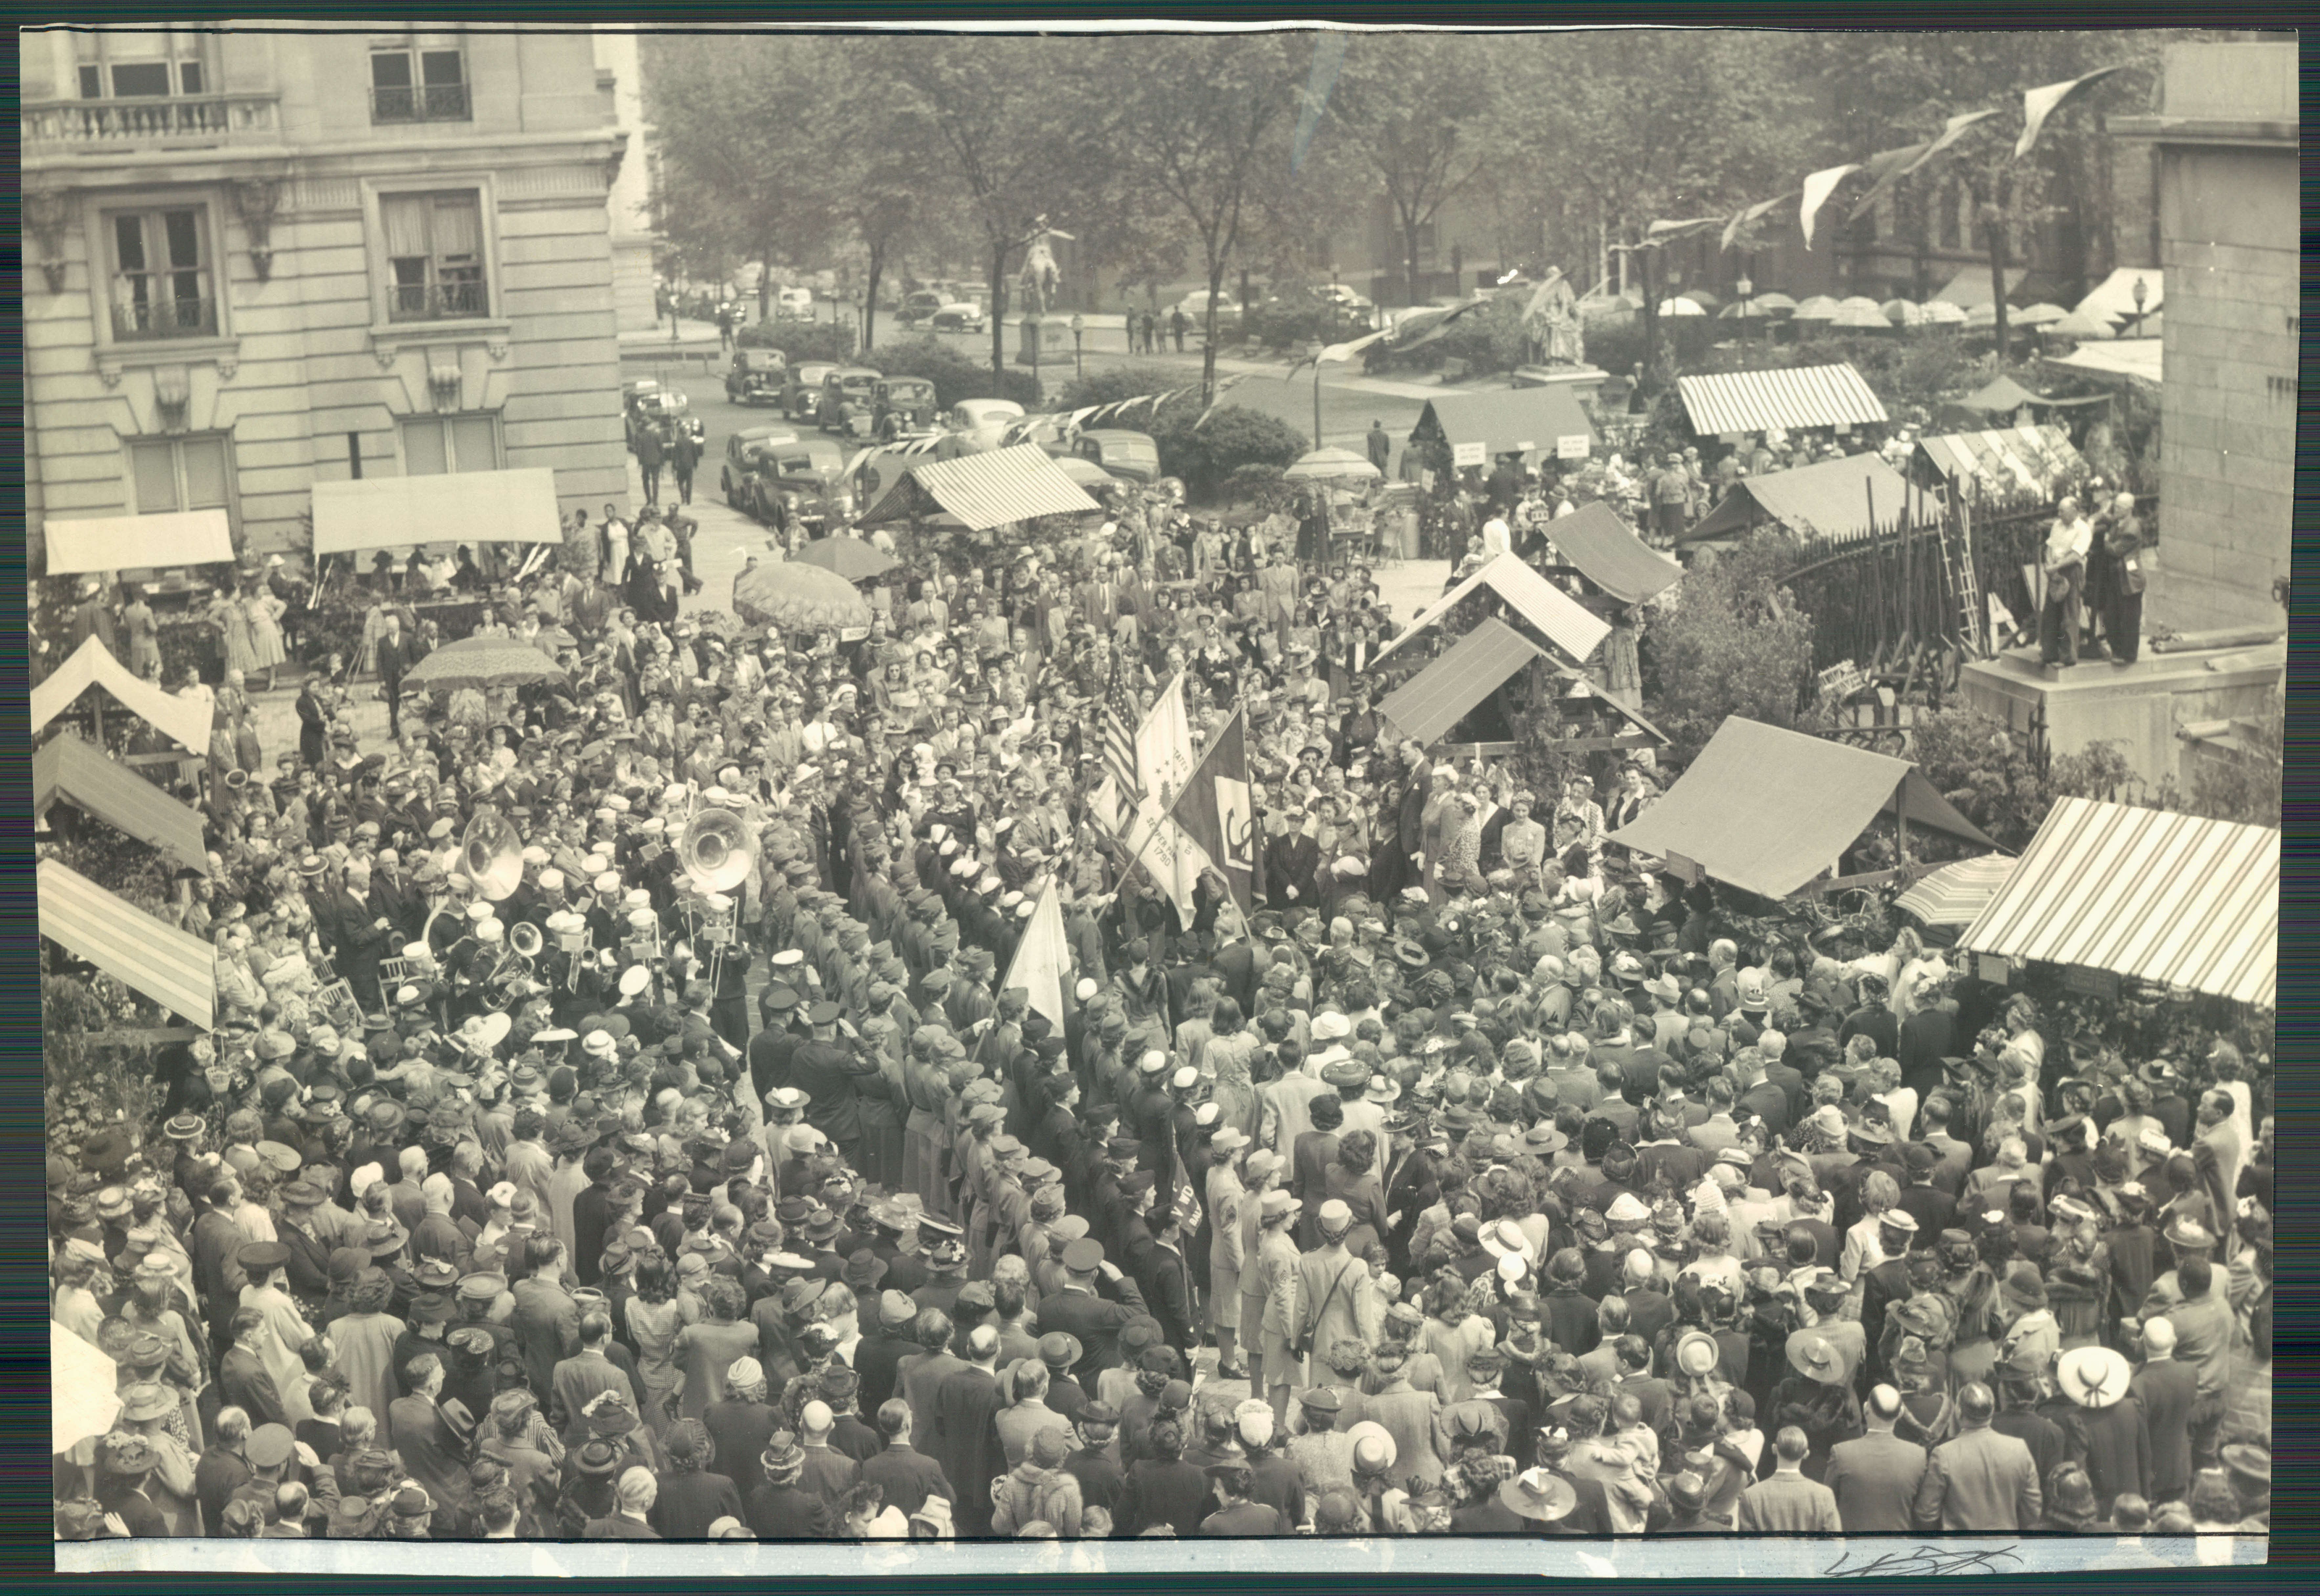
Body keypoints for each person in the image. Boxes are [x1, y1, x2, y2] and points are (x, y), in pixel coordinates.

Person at [2038, 497, 2092, 668]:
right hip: (2055, 569)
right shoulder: (2057, 526)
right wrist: (2049, 565)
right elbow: (2050, 547)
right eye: (2059, 511)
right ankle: (2049, 653)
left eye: (2063, 511)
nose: (2059, 514)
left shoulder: (2083, 530)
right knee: (2051, 611)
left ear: (2075, 511)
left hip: (2072, 570)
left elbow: (2077, 555)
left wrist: (2057, 566)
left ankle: (2069, 657)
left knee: (2070, 613)